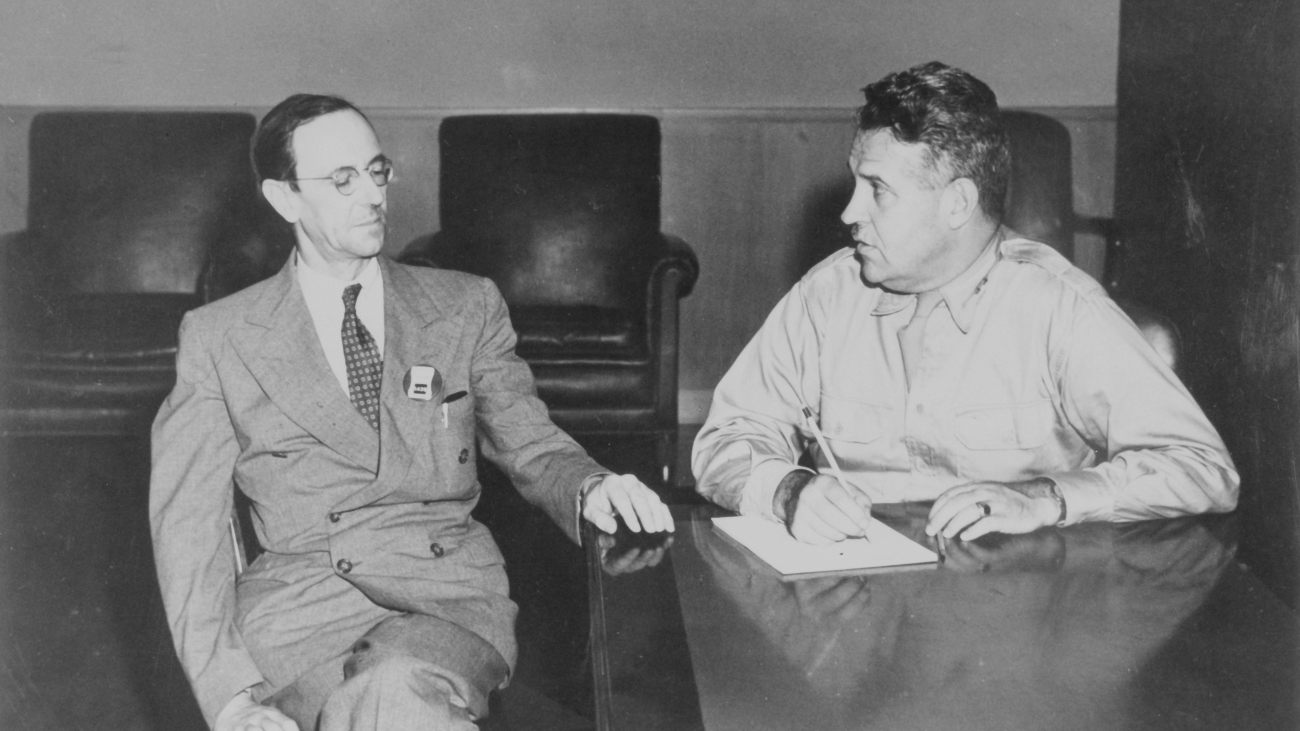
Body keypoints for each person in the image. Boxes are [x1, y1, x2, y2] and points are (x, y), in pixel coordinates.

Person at [150, 94, 673, 731]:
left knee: (392, 689)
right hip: (300, 623)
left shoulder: (464, 306)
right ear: (284, 198)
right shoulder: (221, 337)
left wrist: (591, 486)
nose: (373, 195)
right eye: (342, 180)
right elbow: (188, 534)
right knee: (385, 702)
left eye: (377, 171)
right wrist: (231, 700)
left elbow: (532, 443)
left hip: (445, 603)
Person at [691, 61, 1238, 546]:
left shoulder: (1058, 308)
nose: (849, 213)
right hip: (853, 596)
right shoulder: (826, 297)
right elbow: (725, 440)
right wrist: (789, 490)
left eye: (877, 189)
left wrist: (1047, 498)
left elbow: (1203, 469)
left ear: (957, 203)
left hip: (1011, 603)